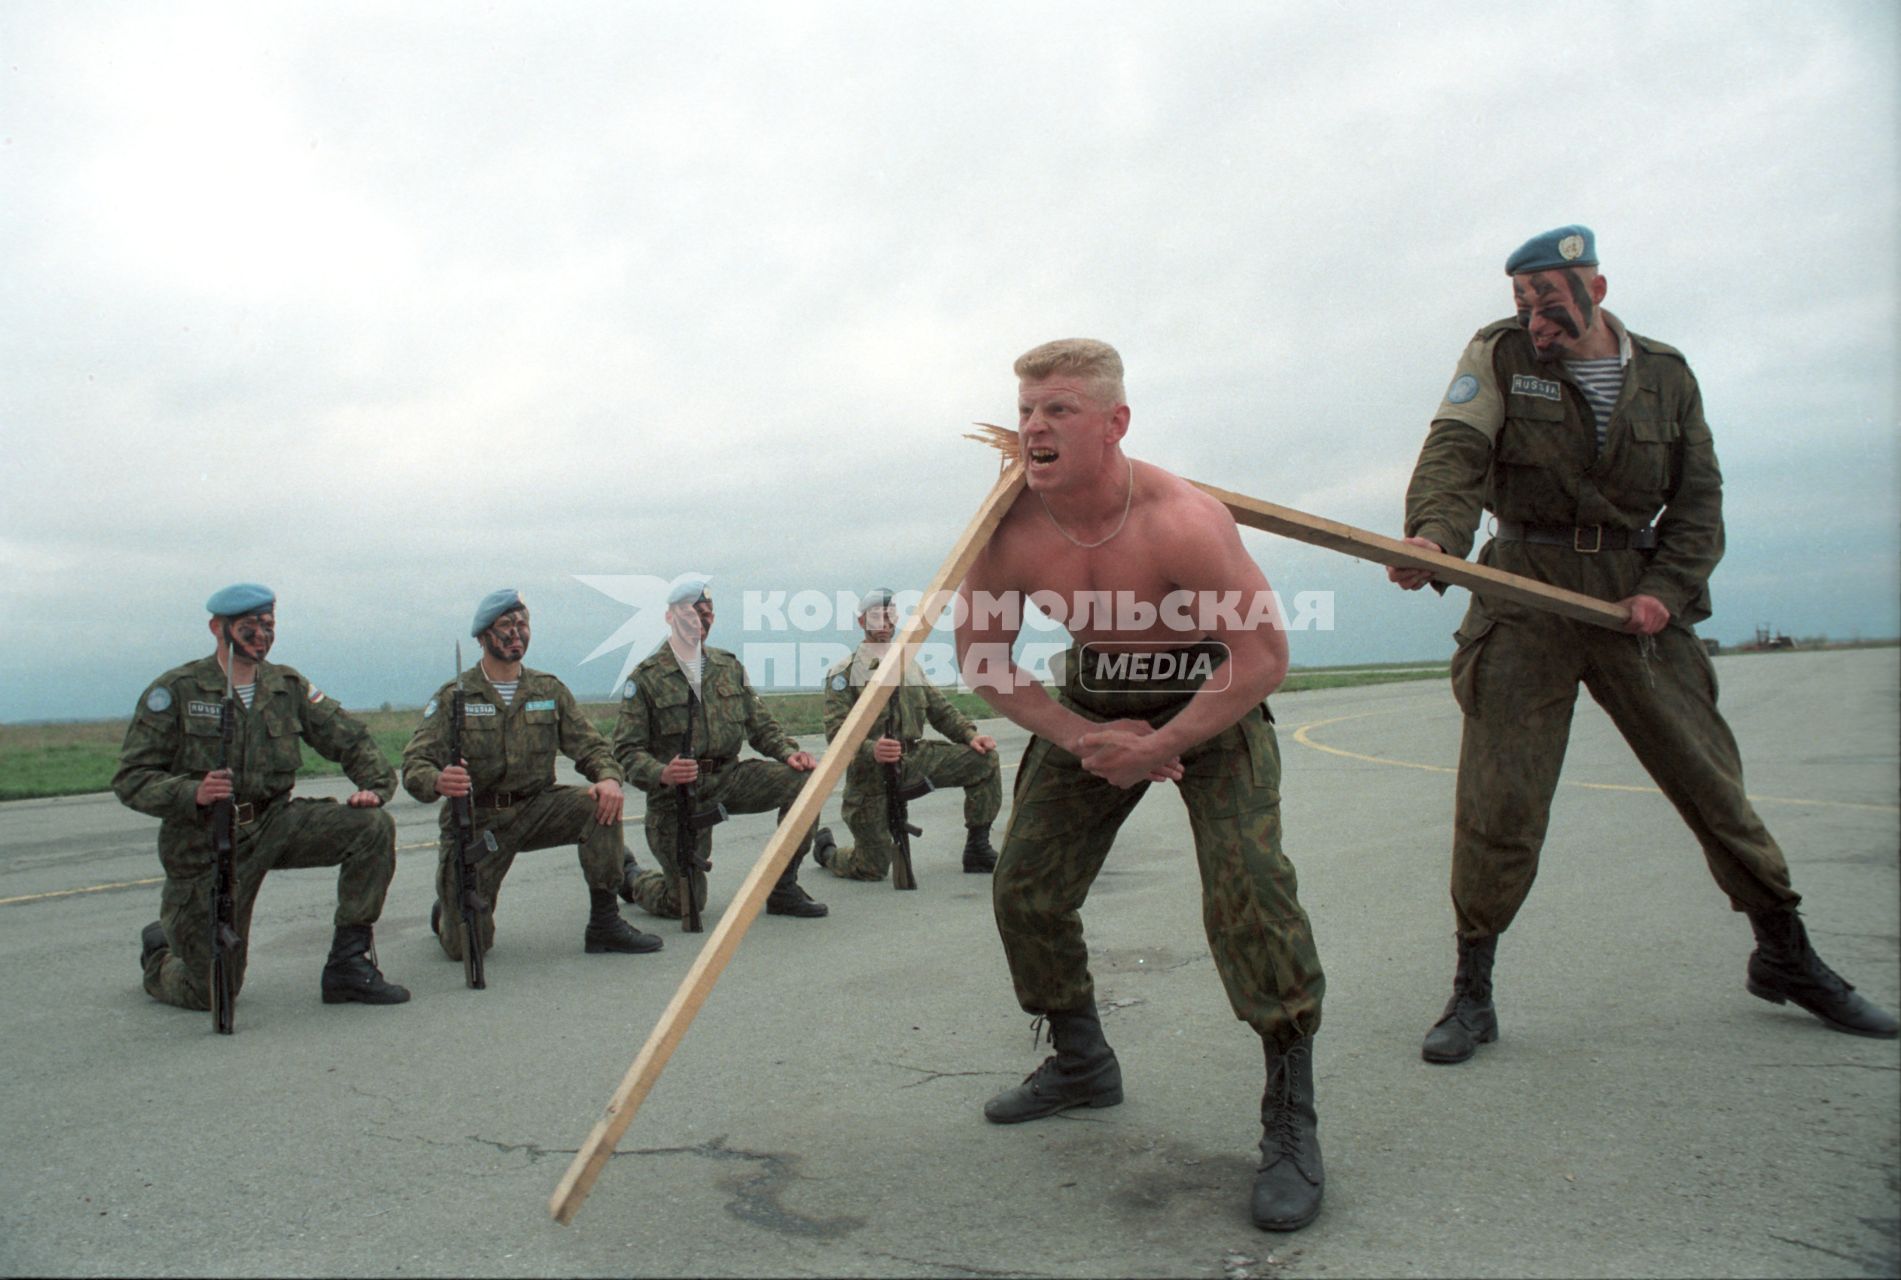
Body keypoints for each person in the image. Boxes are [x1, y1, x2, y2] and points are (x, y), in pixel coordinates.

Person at [1389, 224, 1897, 1063]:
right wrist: (1433, 538)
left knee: (1712, 786)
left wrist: (1662, 593)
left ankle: (1785, 953)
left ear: (1595, 286)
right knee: (1499, 805)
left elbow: (1699, 499)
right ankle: (1470, 993)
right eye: (1521, 301)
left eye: (1548, 299)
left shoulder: (1665, 374)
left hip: (1634, 600)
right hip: (1524, 595)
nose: (1534, 317)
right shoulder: (1497, 354)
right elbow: (1455, 450)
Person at [955, 339, 1327, 1232]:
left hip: (1210, 697)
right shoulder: (1006, 530)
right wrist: (1084, 735)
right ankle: (1081, 1062)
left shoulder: (1181, 521)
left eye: (1059, 410)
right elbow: (983, 657)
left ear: (1115, 424)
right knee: (1027, 890)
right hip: (1093, 701)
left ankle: (1290, 1116)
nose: (1033, 427)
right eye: (1027, 410)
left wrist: (1163, 740)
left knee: (1251, 893)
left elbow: (1263, 657)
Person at [114, 583, 409, 1012]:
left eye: (267, 625)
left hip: (274, 823)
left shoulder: (286, 686)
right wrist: (191, 792)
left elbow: (348, 738)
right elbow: (131, 778)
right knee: (213, 992)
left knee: (372, 828)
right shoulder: (178, 690)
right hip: (204, 840)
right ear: (218, 627)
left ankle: (348, 964)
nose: (260, 636)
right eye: (248, 626)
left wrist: (374, 788)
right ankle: (161, 950)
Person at [402, 589, 662, 962]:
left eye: (522, 624)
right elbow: (415, 763)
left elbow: (591, 746)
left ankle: (605, 922)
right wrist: (437, 780)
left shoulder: (548, 690)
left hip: (538, 807)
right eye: (505, 625)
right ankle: (448, 912)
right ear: (482, 637)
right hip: (481, 821)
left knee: (598, 804)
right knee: (467, 948)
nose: (515, 633)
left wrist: (607, 777)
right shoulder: (454, 698)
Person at [613, 578, 830, 921]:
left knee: (806, 781)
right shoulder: (647, 678)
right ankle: (632, 878)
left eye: (708, 612)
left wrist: (789, 752)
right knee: (684, 904)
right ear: (670, 617)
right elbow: (626, 750)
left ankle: (784, 887)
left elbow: (760, 724)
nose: (702, 619)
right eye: (692, 612)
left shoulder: (728, 667)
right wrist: (662, 773)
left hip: (728, 778)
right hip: (677, 795)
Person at [816, 587, 1002, 880]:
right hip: (870, 773)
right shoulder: (844, 672)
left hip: (913, 758)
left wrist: (969, 735)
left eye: (890, 616)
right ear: (862, 621)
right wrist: (871, 749)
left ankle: (978, 849)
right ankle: (826, 851)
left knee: (985, 760)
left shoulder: (908, 665)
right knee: (871, 868)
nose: (885, 623)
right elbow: (837, 732)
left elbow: (940, 710)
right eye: (877, 617)